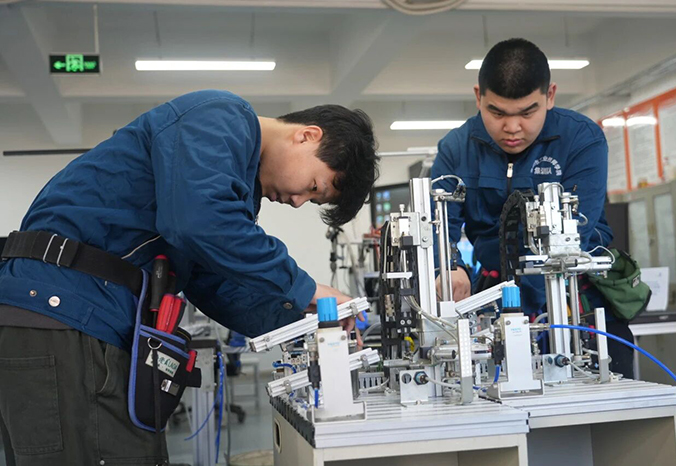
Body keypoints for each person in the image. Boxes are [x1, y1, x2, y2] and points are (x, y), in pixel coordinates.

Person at [0, 90, 378, 465]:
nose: (297, 201)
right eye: (313, 187)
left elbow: (216, 286)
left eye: (311, 200)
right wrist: (306, 287)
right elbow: (201, 222)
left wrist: (307, 323)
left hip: (89, 319)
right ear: (308, 135)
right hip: (60, 309)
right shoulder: (220, 118)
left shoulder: (232, 188)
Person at [432, 38, 634, 378]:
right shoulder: (456, 148)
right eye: (497, 113)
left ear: (550, 95)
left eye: (527, 112)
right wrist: (450, 267)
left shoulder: (581, 138)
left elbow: (578, 232)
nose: (512, 128)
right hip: (495, 296)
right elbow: (437, 227)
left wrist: (524, 315)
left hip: (574, 295)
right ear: (478, 97)